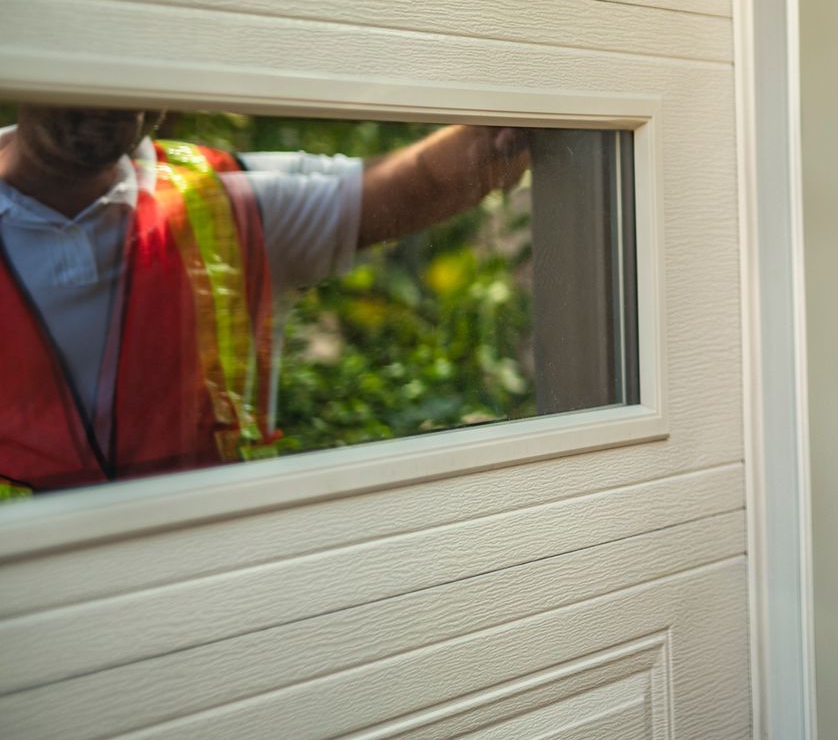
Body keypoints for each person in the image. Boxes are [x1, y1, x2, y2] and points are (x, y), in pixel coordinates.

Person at [0, 106, 529, 492]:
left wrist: (526, 99)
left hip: (212, 587)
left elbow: (421, 183)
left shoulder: (217, 199)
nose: (104, 95)